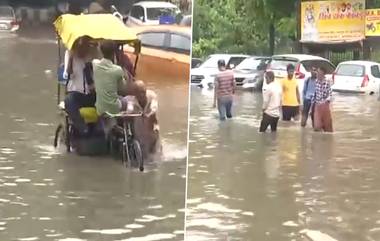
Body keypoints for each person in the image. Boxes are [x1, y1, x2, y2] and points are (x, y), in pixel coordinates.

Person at [63, 36, 100, 136]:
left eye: (86, 45)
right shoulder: (70, 54)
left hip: (92, 94)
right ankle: (83, 129)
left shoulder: (93, 54)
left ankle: (104, 131)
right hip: (76, 94)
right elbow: (68, 74)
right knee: (69, 100)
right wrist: (71, 58)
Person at [93, 40, 129, 116]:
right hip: (114, 109)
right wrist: (125, 76)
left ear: (101, 51)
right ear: (114, 53)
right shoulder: (118, 69)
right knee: (125, 101)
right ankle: (123, 123)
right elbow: (122, 88)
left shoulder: (95, 64)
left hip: (100, 108)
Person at [126, 80, 161, 159]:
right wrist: (128, 114)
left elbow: (154, 108)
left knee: (156, 154)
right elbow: (130, 109)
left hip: (152, 128)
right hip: (140, 131)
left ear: (146, 90)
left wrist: (149, 114)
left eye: (143, 92)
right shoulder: (131, 100)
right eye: (139, 93)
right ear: (134, 94)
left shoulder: (152, 95)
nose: (142, 95)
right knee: (144, 155)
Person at [313, 67, 333, 132]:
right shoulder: (316, 82)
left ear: (323, 73)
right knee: (317, 127)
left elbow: (330, 94)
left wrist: (326, 101)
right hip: (317, 105)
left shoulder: (327, 82)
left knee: (328, 129)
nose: (317, 74)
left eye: (318, 72)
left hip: (325, 105)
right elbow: (314, 94)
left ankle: (326, 140)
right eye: (317, 72)